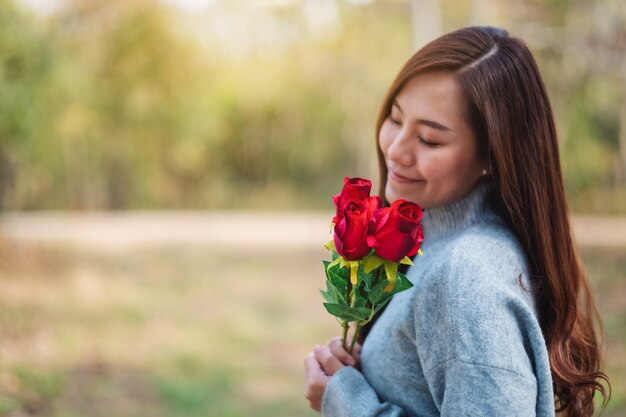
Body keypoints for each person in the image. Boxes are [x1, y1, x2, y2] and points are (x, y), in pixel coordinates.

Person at [304, 26, 609, 417]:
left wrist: (348, 403)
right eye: (396, 119)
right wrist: (354, 376)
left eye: (430, 140)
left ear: (493, 155)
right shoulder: (440, 243)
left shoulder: (466, 274)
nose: (396, 151)